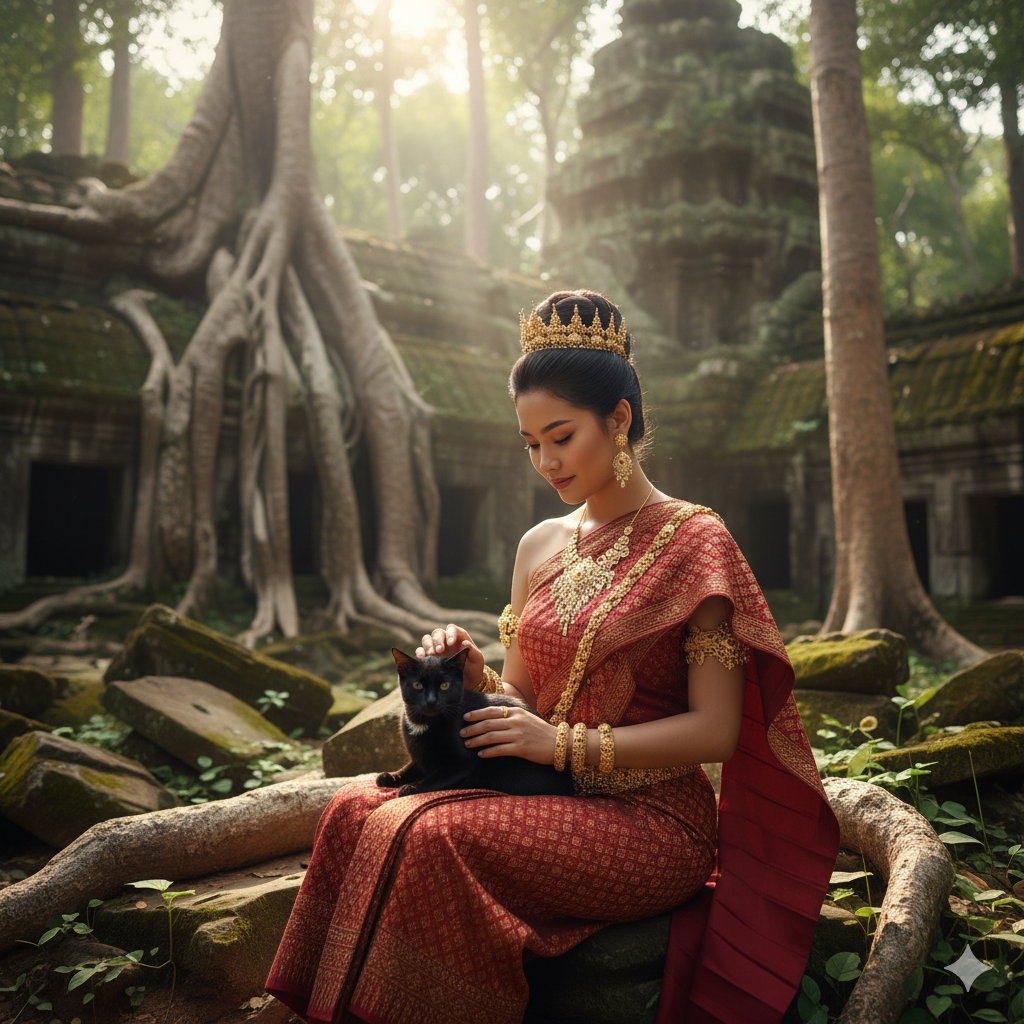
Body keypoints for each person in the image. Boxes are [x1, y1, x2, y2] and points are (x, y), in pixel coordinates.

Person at [265, 290, 840, 1024]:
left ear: (620, 419)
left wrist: (561, 744)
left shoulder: (698, 544)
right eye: (530, 442)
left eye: (561, 436)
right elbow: (528, 703)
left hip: (653, 819)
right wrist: (476, 678)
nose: (545, 461)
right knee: (351, 809)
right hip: (536, 787)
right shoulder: (539, 545)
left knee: (435, 835)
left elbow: (717, 733)